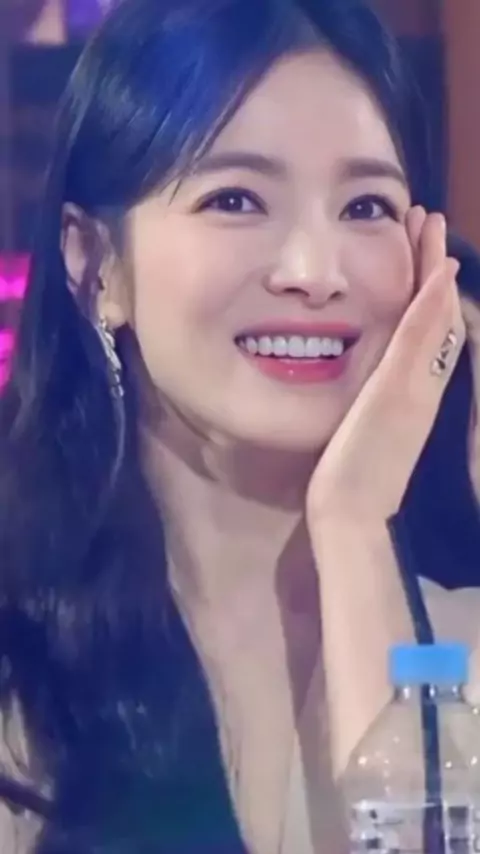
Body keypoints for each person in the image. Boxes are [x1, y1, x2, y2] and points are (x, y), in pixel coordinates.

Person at [1, 0, 480, 851]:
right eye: (236, 198)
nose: (315, 272)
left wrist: (355, 524)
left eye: (366, 207)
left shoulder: (466, 649)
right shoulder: (24, 668)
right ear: (94, 265)